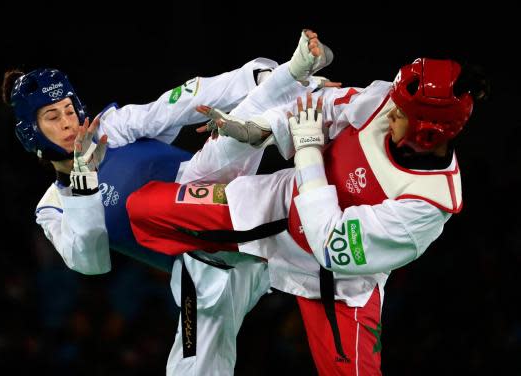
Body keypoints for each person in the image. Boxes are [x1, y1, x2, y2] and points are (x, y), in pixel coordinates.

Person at [126, 50, 488, 374]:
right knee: (143, 209)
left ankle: (245, 270)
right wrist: (259, 129)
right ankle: (245, 268)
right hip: (275, 208)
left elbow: (330, 245)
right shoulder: (385, 99)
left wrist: (309, 151)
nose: (388, 110)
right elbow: (324, 108)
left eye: (401, 113)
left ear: (427, 135)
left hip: (339, 283)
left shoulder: (428, 203)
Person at [2, 29, 338, 375]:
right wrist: (82, 182)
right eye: (53, 117)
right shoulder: (53, 206)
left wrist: (265, 80)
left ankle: (295, 81)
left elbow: (177, 103)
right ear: (32, 132)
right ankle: (289, 86)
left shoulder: (110, 128)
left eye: (69, 110)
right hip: (204, 267)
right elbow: (91, 261)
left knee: (230, 134)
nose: (69, 123)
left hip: (209, 188)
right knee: (191, 369)